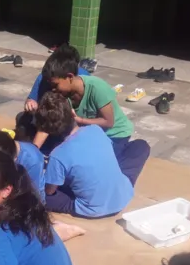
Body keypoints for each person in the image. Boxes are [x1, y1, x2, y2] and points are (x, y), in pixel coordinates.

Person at [41, 50, 151, 186]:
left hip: (113, 134)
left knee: (97, 168)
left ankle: (122, 170)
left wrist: (80, 121)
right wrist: (35, 148)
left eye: (55, 85)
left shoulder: (97, 88)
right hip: (89, 134)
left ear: (69, 77)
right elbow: (52, 122)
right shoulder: (63, 94)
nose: (53, 90)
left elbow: (108, 122)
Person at [37, 92, 133, 218]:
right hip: (124, 195)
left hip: (93, 209)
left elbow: (50, 191)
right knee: (139, 147)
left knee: (39, 195)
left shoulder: (58, 154)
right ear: (72, 113)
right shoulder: (95, 129)